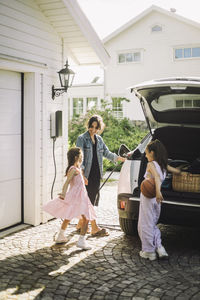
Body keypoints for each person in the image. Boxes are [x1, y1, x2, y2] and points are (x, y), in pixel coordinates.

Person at [76, 114, 126, 236]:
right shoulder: (82, 138)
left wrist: (122, 159)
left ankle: (80, 223)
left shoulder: (99, 140)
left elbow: (107, 153)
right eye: (91, 127)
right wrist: (82, 174)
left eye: (96, 127)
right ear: (88, 126)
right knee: (89, 201)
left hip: (96, 174)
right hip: (86, 175)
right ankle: (94, 227)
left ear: (99, 128)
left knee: (88, 200)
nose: (93, 130)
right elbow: (79, 158)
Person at [43, 147, 96, 250]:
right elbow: (67, 182)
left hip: (79, 196)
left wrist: (83, 178)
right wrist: (63, 194)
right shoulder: (73, 169)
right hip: (77, 197)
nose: (82, 158)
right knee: (86, 218)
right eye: (81, 156)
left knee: (69, 216)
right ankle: (81, 241)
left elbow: (77, 180)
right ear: (76, 157)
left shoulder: (77, 169)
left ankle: (60, 236)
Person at [138, 139, 181, 261]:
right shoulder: (163, 165)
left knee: (145, 224)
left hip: (149, 197)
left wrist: (158, 192)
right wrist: (182, 172)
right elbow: (176, 171)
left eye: (146, 153)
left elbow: (156, 177)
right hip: (157, 200)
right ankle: (160, 248)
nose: (145, 156)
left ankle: (149, 252)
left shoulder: (151, 164)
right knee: (152, 224)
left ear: (152, 152)